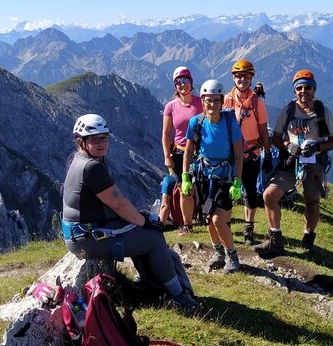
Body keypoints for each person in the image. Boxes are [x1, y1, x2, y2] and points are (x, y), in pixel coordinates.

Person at [61, 114, 201, 312]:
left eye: (104, 138)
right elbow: (117, 203)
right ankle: (177, 296)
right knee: (153, 238)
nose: (101, 143)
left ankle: (149, 283)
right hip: (88, 237)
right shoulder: (91, 167)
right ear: (81, 141)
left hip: (83, 232)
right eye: (94, 139)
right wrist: (145, 222)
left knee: (139, 228)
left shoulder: (80, 159)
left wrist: (139, 219)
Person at [253, 69, 333, 258]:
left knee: (312, 203)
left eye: (307, 87)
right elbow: (276, 137)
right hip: (291, 161)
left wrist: (317, 148)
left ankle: (308, 239)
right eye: (299, 88)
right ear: (294, 91)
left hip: (314, 163)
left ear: (314, 89)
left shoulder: (323, 112)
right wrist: (287, 145)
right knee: (269, 195)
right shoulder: (288, 111)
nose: (303, 91)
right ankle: (275, 239)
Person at [181, 79, 244, 273]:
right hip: (203, 175)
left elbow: (239, 153)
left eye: (216, 100)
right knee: (208, 217)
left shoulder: (229, 122)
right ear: (203, 100)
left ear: (222, 101)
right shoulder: (196, 122)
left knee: (218, 220)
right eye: (208, 100)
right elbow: (189, 150)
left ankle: (232, 256)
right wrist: (184, 176)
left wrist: (237, 180)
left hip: (224, 176)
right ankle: (219, 253)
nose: (212, 104)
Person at [223, 59, 272, 245]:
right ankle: (224, 224)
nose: (242, 79)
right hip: (230, 154)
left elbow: (262, 130)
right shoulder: (226, 100)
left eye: (246, 76)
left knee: (250, 191)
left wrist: (267, 153)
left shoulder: (256, 102)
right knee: (227, 190)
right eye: (238, 76)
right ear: (233, 78)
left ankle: (248, 228)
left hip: (252, 154)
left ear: (251, 78)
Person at [160, 66, 203, 235]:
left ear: (191, 83)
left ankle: (204, 217)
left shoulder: (201, 102)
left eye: (185, 81)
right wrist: (166, 156)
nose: (182, 84)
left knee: (201, 186)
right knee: (185, 188)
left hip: (199, 152)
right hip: (179, 153)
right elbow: (165, 134)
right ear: (175, 86)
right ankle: (187, 224)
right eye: (178, 82)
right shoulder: (170, 106)